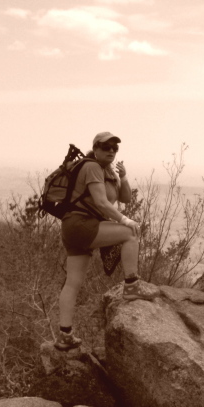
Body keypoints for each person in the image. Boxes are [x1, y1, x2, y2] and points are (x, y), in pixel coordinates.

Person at [55, 131, 159, 351]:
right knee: (130, 233)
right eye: (106, 147)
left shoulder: (106, 171)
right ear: (96, 147)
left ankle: (65, 335)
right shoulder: (91, 167)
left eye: (115, 148)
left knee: (73, 283)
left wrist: (123, 177)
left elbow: (125, 198)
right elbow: (102, 203)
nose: (111, 151)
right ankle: (132, 285)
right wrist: (124, 220)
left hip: (72, 228)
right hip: (82, 224)